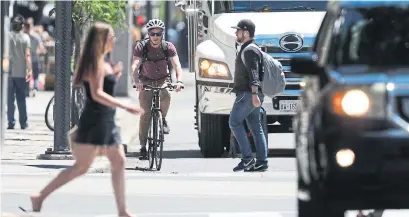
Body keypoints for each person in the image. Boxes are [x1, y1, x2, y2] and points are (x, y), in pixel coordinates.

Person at [29, 22, 143, 217]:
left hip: (105, 120)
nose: (114, 40)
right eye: (111, 37)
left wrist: (113, 74)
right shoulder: (96, 63)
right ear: (102, 40)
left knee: (118, 161)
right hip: (95, 121)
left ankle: (123, 211)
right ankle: (40, 196)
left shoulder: (101, 61)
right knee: (81, 167)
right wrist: (125, 105)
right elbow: (97, 94)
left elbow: (98, 87)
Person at [131, 19, 184, 160]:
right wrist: (137, 81)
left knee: (166, 94)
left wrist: (179, 81)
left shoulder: (168, 47)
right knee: (145, 115)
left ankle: (163, 119)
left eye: (158, 33)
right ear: (148, 34)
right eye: (152, 33)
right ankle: (143, 146)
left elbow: (177, 65)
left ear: (162, 34)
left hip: (162, 79)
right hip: (145, 81)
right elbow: (135, 65)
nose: (155, 36)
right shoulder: (141, 46)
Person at [229, 19, 268, 172]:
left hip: (247, 94)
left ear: (245, 32)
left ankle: (247, 159)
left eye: (238, 31)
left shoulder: (250, 50)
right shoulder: (249, 48)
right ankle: (261, 162)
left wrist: (254, 94)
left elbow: (254, 74)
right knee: (256, 127)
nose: (235, 33)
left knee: (234, 122)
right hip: (251, 94)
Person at [8, 15, 32, 130]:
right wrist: (29, 70)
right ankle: (23, 122)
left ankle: (11, 122)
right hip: (21, 73)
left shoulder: (6, 36)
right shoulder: (25, 38)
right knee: (21, 99)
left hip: (7, 73)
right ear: (22, 26)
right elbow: (27, 55)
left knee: (9, 99)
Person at [23, 18, 46, 96]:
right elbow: (42, 48)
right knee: (35, 76)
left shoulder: (23, 36)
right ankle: (35, 89)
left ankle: (26, 91)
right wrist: (37, 52)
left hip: (26, 59)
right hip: (35, 59)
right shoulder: (36, 36)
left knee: (27, 74)